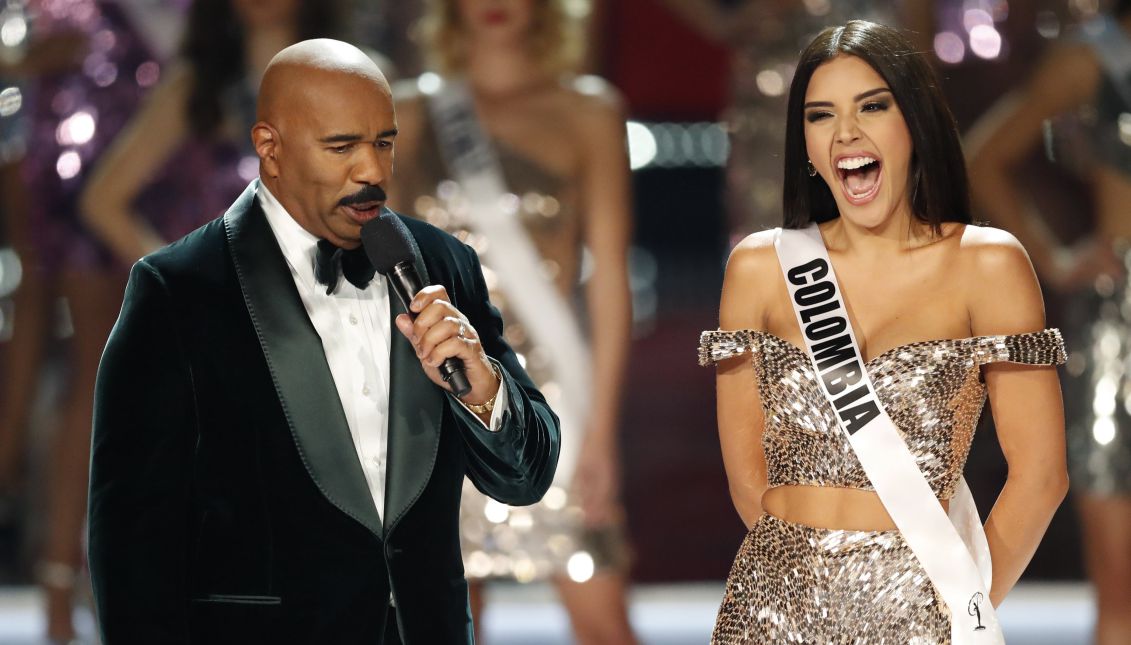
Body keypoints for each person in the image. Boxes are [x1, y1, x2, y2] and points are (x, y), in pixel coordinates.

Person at [87, 38, 560, 644]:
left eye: (383, 143)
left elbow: (527, 477)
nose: (372, 171)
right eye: (341, 147)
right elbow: (131, 547)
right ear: (270, 149)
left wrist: (483, 386)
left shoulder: (444, 264)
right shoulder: (179, 291)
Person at [698, 20, 1068, 642]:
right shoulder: (760, 269)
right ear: (807, 147)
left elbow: (1040, 477)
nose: (847, 132)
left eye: (872, 106)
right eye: (821, 115)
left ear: (915, 125)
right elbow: (746, 477)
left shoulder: (988, 264)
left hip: (924, 611)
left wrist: (959, 606)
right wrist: (792, 585)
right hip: (771, 608)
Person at [389, 1, 636, 643]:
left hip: (546, 396)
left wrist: (605, 432)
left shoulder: (589, 111)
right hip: (433, 394)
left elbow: (610, 279)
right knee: (445, 625)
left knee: (604, 622)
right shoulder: (404, 113)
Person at [966, 3, 1131, 643]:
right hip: (1119, 328)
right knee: (1121, 595)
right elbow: (984, 158)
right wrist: (1056, 259)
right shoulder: (1092, 57)